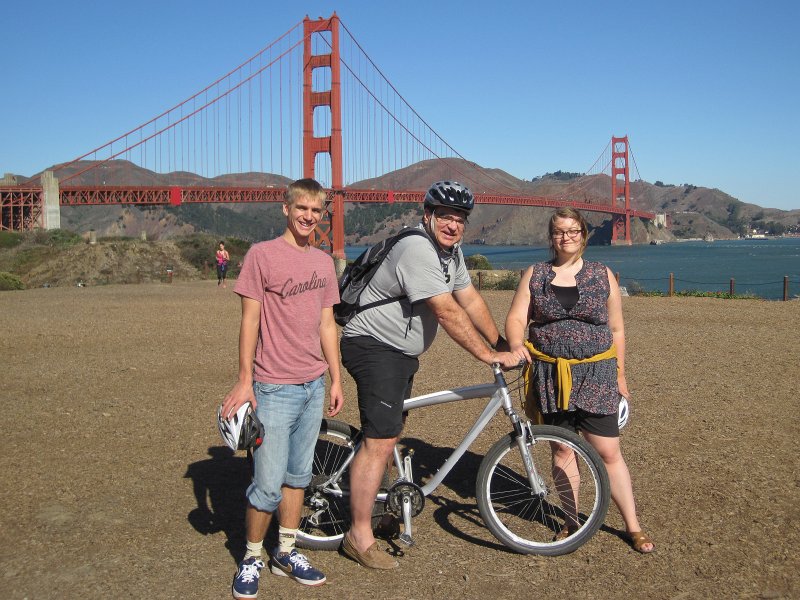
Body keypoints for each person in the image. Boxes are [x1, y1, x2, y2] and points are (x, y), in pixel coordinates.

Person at [339, 180, 522, 570]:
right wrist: (489, 354)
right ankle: (358, 535)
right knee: (381, 437)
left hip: (399, 353)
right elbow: (447, 310)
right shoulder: (418, 249)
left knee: (389, 435)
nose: (453, 225)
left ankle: (384, 505)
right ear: (428, 215)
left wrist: (502, 343)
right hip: (373, 346)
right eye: (445, 216)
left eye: (460, 219)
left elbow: (469, 299)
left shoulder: (450, 254)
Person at [219, 178, 344, 598]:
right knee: (267, 484)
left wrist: (336, 376)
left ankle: (285, 552)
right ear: (285, 209)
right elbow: (249, 321)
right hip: (272, 386)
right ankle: (252, 556)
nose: (309, 216)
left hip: (312, 384)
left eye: (316, 210)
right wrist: (244, 380)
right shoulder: (262, 256)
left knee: (298, 477)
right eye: (301, 208)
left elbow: (327, 323)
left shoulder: (324, 263)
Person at [504, 207, 655, 554]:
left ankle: (633, 527)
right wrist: (515, 345)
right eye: (559, 231)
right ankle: (572, 523)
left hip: (598, 374)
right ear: (550, 237)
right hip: (551, 375)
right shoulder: (535, 274)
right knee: (562, 449)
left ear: (583, 235)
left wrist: (620, 374)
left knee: (608, 451)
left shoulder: (603, 275)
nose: (566, 237)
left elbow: (616, 329)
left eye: (573, 231)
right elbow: (515, 319)